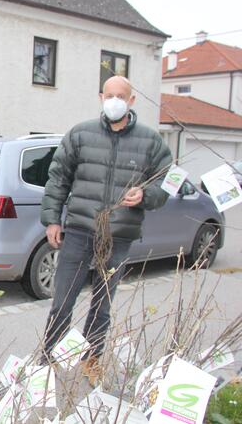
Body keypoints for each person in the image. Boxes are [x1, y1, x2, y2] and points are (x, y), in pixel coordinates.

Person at [39, 76, 172, 386]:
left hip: (119, 235)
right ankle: (47, 359)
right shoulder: (80, 134)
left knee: (103, 303)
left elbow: (167, 182)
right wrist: (53, 220)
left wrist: (146, 195)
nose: (114, 100)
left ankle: (92, 359)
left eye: (120, 95)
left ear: (132, 100)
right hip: (80, 230)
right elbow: (57, 179)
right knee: (63, 299)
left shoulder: (151, 141)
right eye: (109, 95)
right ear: (101, 97)